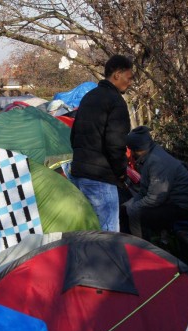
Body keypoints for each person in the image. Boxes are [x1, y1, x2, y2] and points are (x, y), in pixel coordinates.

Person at [69, 54, 133, 232]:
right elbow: (116, 144)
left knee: (86, 231)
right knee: (108, 234)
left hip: (78, 174)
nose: (130, 83)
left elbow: (74, 136)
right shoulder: (116, 102)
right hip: (100, 178)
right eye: (129, 78)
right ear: (117, 74)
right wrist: (120, 173)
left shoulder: (89, 97)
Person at [122, 127, 188, 239]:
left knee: (138, 214)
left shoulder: (157, 162)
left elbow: (155, 198)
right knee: (126, 210)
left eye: (132, 149)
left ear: (137, 149)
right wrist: (129, 205)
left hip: (184, 208)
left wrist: (133, 207)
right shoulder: (150, 157)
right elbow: (144, 191)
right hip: (170, 202)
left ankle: (143, 245)